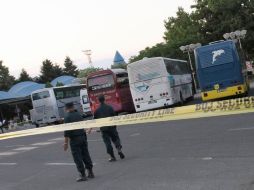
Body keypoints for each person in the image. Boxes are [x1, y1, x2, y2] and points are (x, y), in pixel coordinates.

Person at [63, 102, 94, 182]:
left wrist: (66, 143)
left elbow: (67, 132)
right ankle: (90, 172)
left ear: (67, 108)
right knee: (85, 154)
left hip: (75, 139)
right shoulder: (79, 115)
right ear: (73, 107)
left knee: (77, 157)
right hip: (83, 137)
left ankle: (82, 175)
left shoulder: (67, 117)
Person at [93, 95, 125, 162]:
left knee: (107, 142)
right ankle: (119, 149)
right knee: (116, 139)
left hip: (104, 129)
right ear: (105, 100)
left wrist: (98, 128)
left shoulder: (96, 111)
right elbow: (114, 117)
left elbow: (95, 121)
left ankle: (112, 157)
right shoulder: (110, 108)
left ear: (98, 101)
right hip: (112, 127)